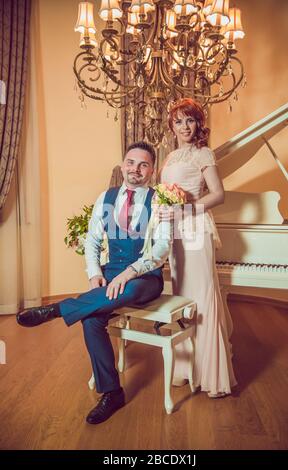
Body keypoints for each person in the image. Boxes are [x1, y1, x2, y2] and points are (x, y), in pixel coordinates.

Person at [17, 141, 171, 424]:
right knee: (91, 320)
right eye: (130, 162)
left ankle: (56, 310)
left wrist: (130, 272)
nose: (135, 169)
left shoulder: (160, 200)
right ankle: (112, 393)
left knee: (131, 288)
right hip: (110, 272)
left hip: (144, 278)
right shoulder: (106, 197)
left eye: (143, 164)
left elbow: (161, 249)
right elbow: (92, 240)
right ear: (123, 164)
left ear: (153, 169)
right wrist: (93, 273)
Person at [160, 98, 237, 398]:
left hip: (194, 227)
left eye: (190, 120)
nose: (184, 127)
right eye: (178, 121)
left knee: (202, 295)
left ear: (198, 124)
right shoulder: (170, 157)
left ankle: (209, 372)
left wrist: (186, 210)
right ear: (172, 126)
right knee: (182, 295)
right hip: (176, 231)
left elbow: (218, 195)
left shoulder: (203, 153)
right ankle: (185, 367)